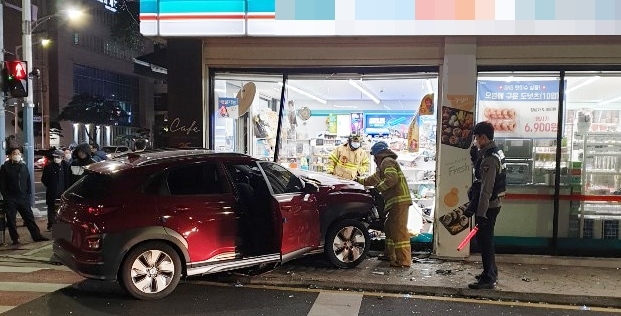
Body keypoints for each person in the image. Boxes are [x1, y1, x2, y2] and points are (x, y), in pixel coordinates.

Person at [356, 141, 412, 268]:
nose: (374, 160)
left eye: (374, 156)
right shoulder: (383, 165)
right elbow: (372, 179)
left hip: (399, 201)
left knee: (399, 230)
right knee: (390, 227)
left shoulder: (387, 161)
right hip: (395, 202)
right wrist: (358, 181)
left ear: (379, 154)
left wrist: (378, 189)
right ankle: (390, 255)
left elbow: (392, 179)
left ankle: (404, 260)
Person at [466, 121, 507, 290]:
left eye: (476, 138)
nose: (475, 141)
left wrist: (481, 214)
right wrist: (476, 158)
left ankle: (489, 278)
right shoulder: (493, 152)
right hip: (491, 205)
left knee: (485, 241)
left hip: (488, 207)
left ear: (483, 137)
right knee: (485, 241)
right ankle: (489, 272)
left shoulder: (490, 158)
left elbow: (486, 190)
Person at [0, 147, 49, 245]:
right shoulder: (5, 167)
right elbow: (2, 184)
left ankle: (37, 236)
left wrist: (28, 194)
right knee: (11, 220)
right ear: (9, 156)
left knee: (29, 217)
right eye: (14, 153)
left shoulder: (23, 166)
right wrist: (6, 196)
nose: (17, 155)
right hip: (11, 198)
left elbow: (28, 180)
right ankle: (15, 239)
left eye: (18, 153)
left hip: (23, 197)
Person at [41, 150, 72, 231]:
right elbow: (44, 179)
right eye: (55, 157)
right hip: (52, 192)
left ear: (62, 158)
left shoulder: (66, 166)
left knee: (62, 211)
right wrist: (51, 186)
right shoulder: (49, 167)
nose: (56, 159)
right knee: (52, 210)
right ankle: (52, 226)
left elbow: (68, 179)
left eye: (58, 157)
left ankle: (60, 231)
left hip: (64, 192)